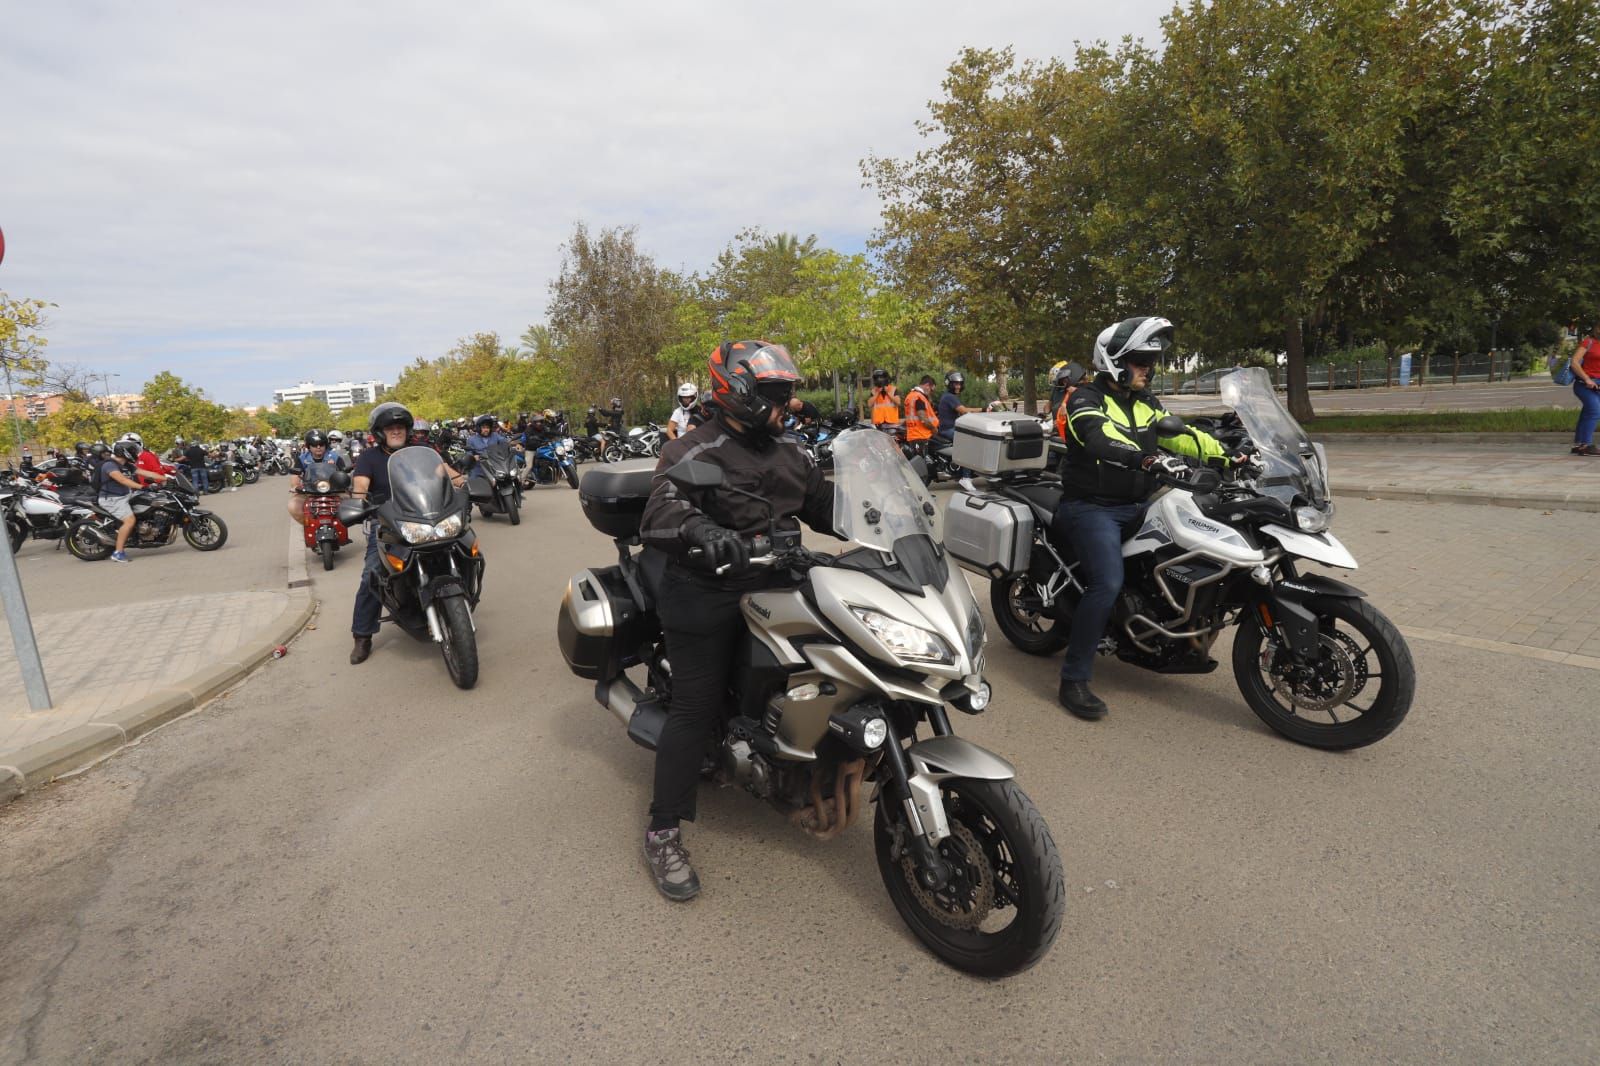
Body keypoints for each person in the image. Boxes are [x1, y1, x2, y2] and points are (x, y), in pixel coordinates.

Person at [637, 339, 835, 901]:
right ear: (740, 393)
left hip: (778, 579)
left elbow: (828, 506)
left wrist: (889, 523)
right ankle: (662, 829)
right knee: (694, 709)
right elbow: (663, 507)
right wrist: (705, 534)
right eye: (777, 395)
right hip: (707, 587)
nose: (788, 405)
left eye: (788, 394)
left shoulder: (790, 451)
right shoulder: (695, 449)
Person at [1054, 316, 1237, 721]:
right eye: (1140, 360)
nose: (1148, 367)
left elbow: (1181, 434)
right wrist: (1147, 458)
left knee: (1186, 552)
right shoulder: (1084, 399)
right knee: (1107, 581)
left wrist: (1232, 455)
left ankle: (1164, 632)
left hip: (1139, 503)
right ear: (1115, 361)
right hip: (1091, 507)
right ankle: (1074, 679)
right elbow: (1098, 438)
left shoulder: (1146, 403)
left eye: (1151, 360)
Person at [349, 402, 467, 665]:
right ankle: (362, 634)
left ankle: (461, 599)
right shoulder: (370, 458)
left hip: (429, 515)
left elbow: (444, 471)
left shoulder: (423, 450)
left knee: (467, 548)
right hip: (388, 521)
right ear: (379, 432)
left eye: (400, 426)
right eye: (390, 427)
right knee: (373, 573)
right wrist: (357, 502)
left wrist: (462, 481)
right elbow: (360, 485)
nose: (396, 431)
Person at [99, 440, 146, 563]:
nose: (136, 453)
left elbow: (144, 472)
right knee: (130, 520)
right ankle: (118, 553)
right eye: (133, 451)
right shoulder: (110, 465)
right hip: (112, 498)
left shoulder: (126, 465)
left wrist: (165, 478)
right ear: (126, 452)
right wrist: (142, 487)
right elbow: (123, 480)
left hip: (125, 495)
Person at [1568, 326, 1600, 456]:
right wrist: (1587, 379)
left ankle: (1579, 444)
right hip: (1584, 383)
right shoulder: (1589, 342)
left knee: (1588, 412)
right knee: (1594, 410)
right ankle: (1586, 445)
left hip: (1598, 385)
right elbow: (1574, 362)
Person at [1050, 361, 1088, 440]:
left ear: (1073, 377)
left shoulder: (1086, 394)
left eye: (1064, 381)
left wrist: (1064, 423)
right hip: (1065, 438)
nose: (1063, 384)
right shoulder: (1069, 392)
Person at [935, 370, 977, 442]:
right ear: (949, 384)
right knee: (971, 440)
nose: (958, 387)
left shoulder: (948, 395)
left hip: (949, 428)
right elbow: (964, 411)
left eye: (960, 384)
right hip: (948, 430)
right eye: (956, 384)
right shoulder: (949, 397)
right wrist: (983, 409)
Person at [903, 375, 938, 451]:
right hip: (920, 435)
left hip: (914, 434)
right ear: (927, 385)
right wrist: (933, 428)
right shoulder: (919, 398)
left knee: (917, 460)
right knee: (920, 461)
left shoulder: (911, 395)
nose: (931, 393)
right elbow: (923, 419)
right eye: (931, 390)